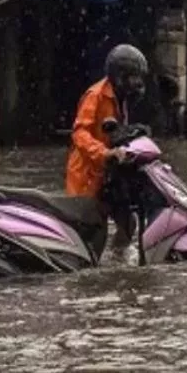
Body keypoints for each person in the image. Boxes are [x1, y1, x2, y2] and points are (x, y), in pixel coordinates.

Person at [65, 44, 150, 247]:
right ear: (120, 76)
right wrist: (105, 153)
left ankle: (117, 266)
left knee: (128, 224)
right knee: (95, 232)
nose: (137, 83)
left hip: (109, 175)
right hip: (87, 177)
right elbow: (80, 133)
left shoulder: (122, 100)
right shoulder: (95, 95)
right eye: (133, 77)